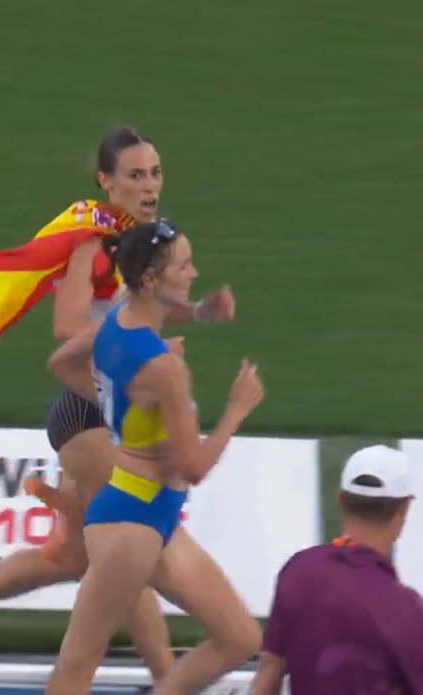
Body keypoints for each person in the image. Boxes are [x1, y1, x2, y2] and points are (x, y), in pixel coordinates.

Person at [0, 127, 235, 685]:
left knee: (72, 556)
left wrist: (197, 312)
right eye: (134, 175)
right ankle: (166, 680)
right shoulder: (91, 240)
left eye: (154, 173)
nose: (148, 185)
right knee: (135, 554)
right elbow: (67, 326)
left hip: (97, 413)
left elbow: (142, 305)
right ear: (106, 181)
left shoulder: (141, 238)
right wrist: (133, 353)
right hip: (91, 415)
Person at [44, 220, 263, 695]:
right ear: (149, 279)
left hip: (153, 517)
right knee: (76, 667)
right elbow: (195, 467)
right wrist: (236, 410)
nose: (193, 272)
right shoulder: (163, 369)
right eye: (183, 266)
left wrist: (112, 400)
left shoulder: (115, 322)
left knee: (240, 636)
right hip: (129, 522)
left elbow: (59, 363)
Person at [250, 445, 423, 695]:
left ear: (340, 499)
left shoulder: (298, 570)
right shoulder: (402, 607)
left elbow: (269, 670)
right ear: (402, 511)